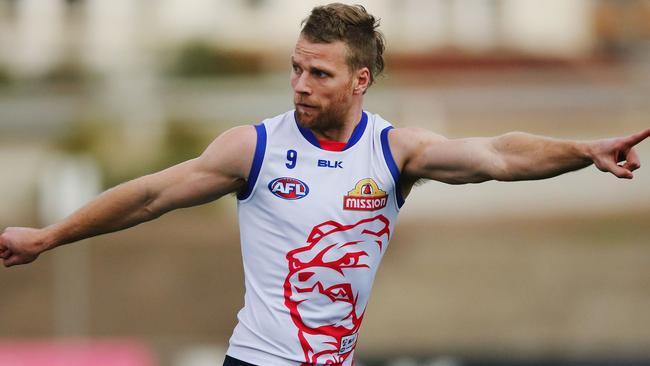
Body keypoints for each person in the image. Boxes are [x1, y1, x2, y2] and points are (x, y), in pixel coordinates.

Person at [1, 3, 649, 366]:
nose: (300, 85)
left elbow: (500, 156)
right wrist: (49, 235)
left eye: (319, 73)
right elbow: (146, 197)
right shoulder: (251, 149)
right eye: (295, 69)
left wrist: (581, 150)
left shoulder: (396, 152)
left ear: (360, 81)